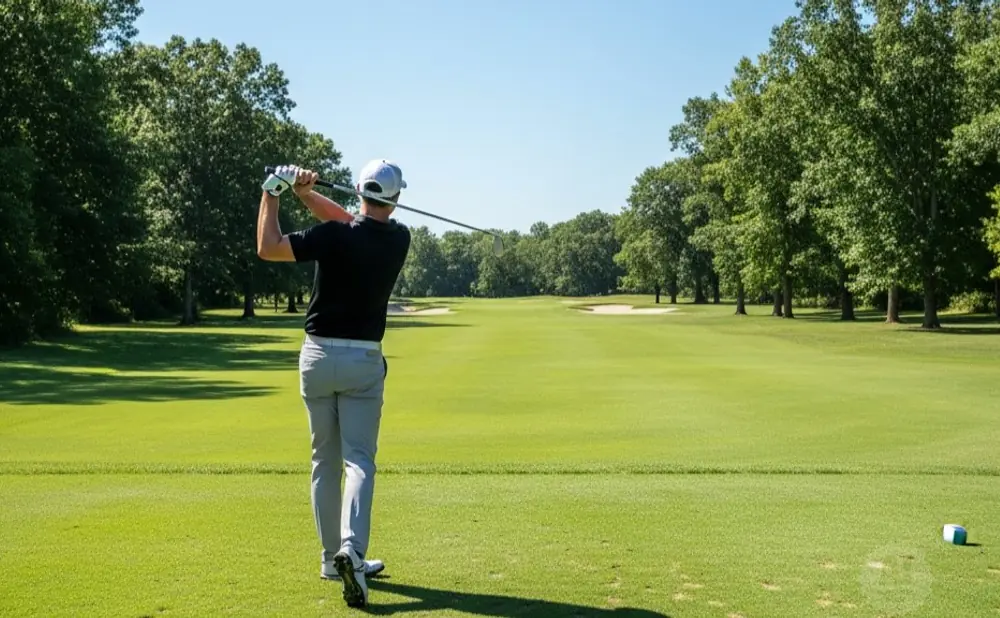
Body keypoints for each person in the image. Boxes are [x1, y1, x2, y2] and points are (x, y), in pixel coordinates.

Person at [256, 160, 412, 608]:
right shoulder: (399, 238)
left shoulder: (333, 236)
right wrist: (305, 194)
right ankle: (353, 551)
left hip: (318, 356)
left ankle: (331, 559)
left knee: (324, 460)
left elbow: (268, 247)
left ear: (359, 192)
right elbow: (352, 222)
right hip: (363, 359)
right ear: (395, 198)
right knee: (359, 460)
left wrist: (274, 193)